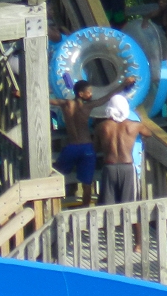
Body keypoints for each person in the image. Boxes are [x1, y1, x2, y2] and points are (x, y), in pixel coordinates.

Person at [50, 78, 131, 206]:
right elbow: (108, 96)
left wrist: (21, 94)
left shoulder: (66, 104)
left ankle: (54, 203)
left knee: (55, 175)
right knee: (87, 184)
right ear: (81, 94)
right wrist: (124, 84)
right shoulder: (88, 107)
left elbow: (46, 100)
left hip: (72, 147)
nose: (91, 94)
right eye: (89, 92)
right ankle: (85, 210)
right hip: (87, 148)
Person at [94, 94, 146, 239]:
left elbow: (96, 147)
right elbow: (149, 133)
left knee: (107, 209)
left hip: (109, 167)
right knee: (132, 206)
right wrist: (141, 119)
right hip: (127, 167)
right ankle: (138, 244)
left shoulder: (102, 127)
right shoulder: (134, 126)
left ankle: (110, 247)